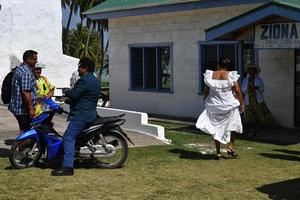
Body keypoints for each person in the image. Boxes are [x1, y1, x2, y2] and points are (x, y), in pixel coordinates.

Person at [51, 57, 100, 176]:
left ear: (85, 68)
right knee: (76, 138)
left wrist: (66, 91)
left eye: (80, 66)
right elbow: (83, 96)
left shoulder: (84, 80)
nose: (78, 69)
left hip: (81, 116)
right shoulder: (95, 80)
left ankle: (67, 167)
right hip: (90, 113)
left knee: (68, 138)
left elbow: (74, 94)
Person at [196, 58, 244, 160]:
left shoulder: (210, 75)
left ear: (218, 65)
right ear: (228, 66)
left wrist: (205, 99)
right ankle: (231, 146)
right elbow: (238, 90)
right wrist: (241, 103)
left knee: (215, 127)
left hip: (214, 105)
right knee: (233, 125)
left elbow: (206, 90)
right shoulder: (231, 75)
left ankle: (218, 152)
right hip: (229, 104)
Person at [8, 50, 38, 134]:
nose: (36, 61)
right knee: (26, 130)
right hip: (23, 109)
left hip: (18, 107)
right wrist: (31, 109)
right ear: (28, 60)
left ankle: (21, 146)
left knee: (24, 129)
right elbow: (25, 92)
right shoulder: (26, 72)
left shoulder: (21, 68)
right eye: (35, 59)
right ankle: (21, 145)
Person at [241, 64, 274, 136]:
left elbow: (262, 89)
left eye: (253, 70)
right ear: (248, 71)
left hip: (257, 101)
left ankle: (258, 131)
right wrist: (248, 89)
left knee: (258, 117)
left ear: (255, 72)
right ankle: (252, 131)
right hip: (248, 100)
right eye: (250, 70)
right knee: (251, 118)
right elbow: (243, 90)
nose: (251, 71)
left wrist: (257, 88)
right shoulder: (245, 80)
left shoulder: (259, 80)